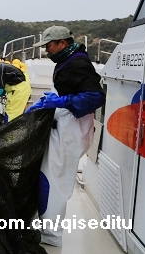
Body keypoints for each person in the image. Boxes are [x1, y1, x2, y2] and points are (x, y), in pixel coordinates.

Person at [27, 25, 105, 247]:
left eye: (48, 46)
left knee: (56, 181)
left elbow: (95, 96)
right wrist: (52, 99)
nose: (46, 51)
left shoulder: (78, 63)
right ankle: (45, 227)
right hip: (65, 127)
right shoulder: (67, 60)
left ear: (62, 43)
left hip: (72, 130)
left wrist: (62, 102)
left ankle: (50, 236)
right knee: (48, 176)